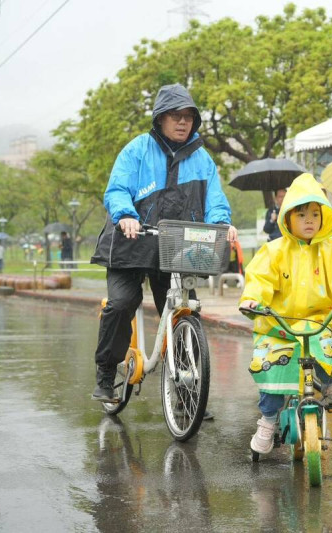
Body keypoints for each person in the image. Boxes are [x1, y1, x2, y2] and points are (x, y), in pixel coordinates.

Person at [90, 83, 237, 413]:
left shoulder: (202, 160)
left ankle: (190, 392)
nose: (182, 122)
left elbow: (215, 201)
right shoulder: (137, 150)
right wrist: (126, 215)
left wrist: (223, 222)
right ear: (160, 119)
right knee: (122, 303)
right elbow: (116, 190)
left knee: (184, 310)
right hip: (131, 243)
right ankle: (105, 374)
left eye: (188, 117)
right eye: (175, 116)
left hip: (174, 247)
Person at [239, 173, 332, 456]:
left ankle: (329, 386)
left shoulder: (330, 251)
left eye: (315, 214)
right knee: (273, 368)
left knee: (324, 347)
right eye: (301, 214)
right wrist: (254, 300)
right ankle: (267, 421)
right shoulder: (274, 251)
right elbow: (260, 279)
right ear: (288, 218)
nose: (309, 220)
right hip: (279, 324)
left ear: (323, 217)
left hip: (319, 321)